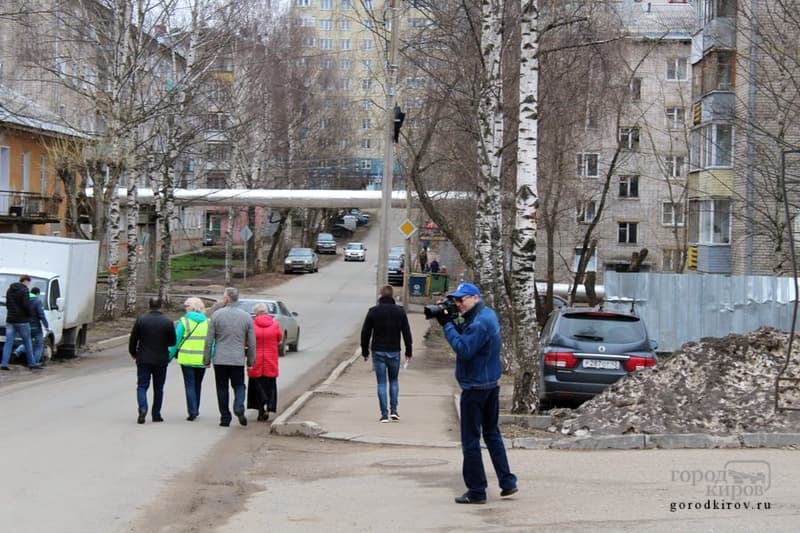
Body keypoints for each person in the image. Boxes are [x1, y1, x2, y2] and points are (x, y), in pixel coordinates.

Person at [435, 282, 517, 504]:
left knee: (470, 441)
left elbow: (464, 349)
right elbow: (470, 336)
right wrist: (454, 319)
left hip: (475, 387)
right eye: (456, 300)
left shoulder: (480, 323)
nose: (458, 304)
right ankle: (507, 482)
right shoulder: (486, 315)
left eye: (461, 299)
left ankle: (477, 491)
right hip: (490, 384)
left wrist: (447, 325)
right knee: (491, 434)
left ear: (474, 297)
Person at [204, 287, 255, 427]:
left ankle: (225, 417)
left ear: (226, 299)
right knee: (239, 385)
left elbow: (209, 340)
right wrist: (250, 361)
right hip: (237, 359)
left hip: (220, 359)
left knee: (222, 387)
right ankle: (239, 407)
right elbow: (251, 342)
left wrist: (206, 359)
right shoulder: (246, 317)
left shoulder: (216, 315)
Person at [360, 285, 412, 422]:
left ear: (380, 296)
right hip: (394, 351)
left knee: (381, 383)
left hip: (378, 351)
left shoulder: (373, 311)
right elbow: (406, 332)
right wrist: (409, 350)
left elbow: (365, 333)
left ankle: (384, 414)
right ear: (392, 296)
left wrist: (365, 351)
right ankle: (394, 410)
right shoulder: (400, 312)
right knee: (394, 381)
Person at [129, 297, 177, 424]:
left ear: (149, 305)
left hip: (143, 358)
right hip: (161, 359)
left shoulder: (141, 320)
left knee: (142, 386)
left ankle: (143, 408)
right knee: (159, 387)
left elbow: (133, 339)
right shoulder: (167, 322)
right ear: (161, 305)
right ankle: (156, 414)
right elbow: (173, 341)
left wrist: (134, 353)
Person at [169, 297, 210, 421]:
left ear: (192, 307)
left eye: (186, 306)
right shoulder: (208, 322)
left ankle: (192, 411)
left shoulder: (184, 322)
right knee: (198, 384)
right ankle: (196, 408)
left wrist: (169, 356)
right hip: (202, 359)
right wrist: (210, 357)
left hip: (186, 358)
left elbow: (175, 341)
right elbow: (211, 342)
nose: (185, 308)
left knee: (189, 385)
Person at [247, 302, 283, 421]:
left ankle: (260, 410)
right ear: (266, 312)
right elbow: (279, 338)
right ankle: (269, 405)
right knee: (270, 384)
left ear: (256, 313)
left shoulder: (252, 325)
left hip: (256, 359)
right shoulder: (275, 324)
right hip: (270, 359)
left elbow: (247, 341)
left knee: (257, 385)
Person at [1, 275, 37, 371]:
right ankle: (32, 363)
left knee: (8, 342)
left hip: (10, 320)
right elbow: (26, 305)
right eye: (29, 282)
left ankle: (4, 363)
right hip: (22, 321)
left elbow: (8, 305)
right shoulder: (25, 291)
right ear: (26, 281)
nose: (29, 284)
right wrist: (30, 315)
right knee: (27, 342)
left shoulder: (9, 290)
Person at [13, 287, 50, 366]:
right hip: (35, 326)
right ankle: (35, 362)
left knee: (27, 341)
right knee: (39, 344)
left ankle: (17, 352)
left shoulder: (24, 300)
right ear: (37, 293)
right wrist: (46, 325)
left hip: (24, 324)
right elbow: (41, 315)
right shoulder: (37, 301)